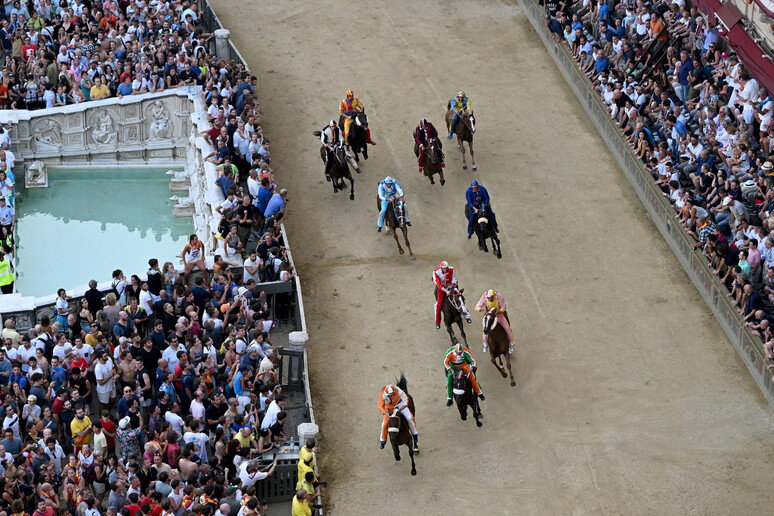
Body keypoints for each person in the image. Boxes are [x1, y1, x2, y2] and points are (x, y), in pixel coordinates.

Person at [377, 384, 418, 450]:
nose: (392, 396)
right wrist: (386, 414)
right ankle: (383, 441)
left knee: (410, 418)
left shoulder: (398, 390)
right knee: (385, 424)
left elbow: (405, 399)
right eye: (390, 395)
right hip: (389, 407)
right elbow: (380, 406)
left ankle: (415, 434)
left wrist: (402, 407)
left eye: (393, 394)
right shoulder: (382, 393)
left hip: (399, 404)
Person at [444, 342, 484, 406]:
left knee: (473, 379)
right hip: (453, 367)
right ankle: (449, 399)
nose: (459, 353)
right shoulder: (449, 352)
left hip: (463, 366)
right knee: (449, 382)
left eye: (461, 352)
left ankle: (479, 393)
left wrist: (472, 367)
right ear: (455, 350)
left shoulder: (466, 351)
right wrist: (450, 369)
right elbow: (445, 362)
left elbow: (473, 360)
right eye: (458, 352)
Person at [475, 289, 515, 354]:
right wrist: (482, 309)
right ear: (487, 297)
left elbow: (504, 307)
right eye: (489, 298)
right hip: (488, 316)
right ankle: (485, 344)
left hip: (498, 315)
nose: (491, 299)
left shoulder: (499, 296)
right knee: (485, 329)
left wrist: (497, 313)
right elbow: (476, 307)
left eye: (492, 297)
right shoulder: (484, 297)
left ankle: (511, 343)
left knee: (507, 328)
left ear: (494, 296)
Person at [432, 260, 466, 329]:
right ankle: (438, 322)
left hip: (451, 286)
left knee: (460, 298)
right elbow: (438, 284)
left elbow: (454, 278)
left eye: (446, 268)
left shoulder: (452, 269)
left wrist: (453, 285)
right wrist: (446, 291)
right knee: (439, 305)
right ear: (441, 268)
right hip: (442, 289)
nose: (445, 269)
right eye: (443, 268)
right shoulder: (436, 272)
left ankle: (466, 314)